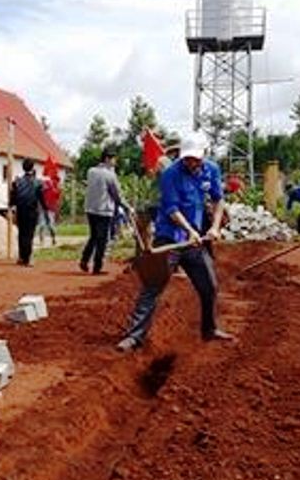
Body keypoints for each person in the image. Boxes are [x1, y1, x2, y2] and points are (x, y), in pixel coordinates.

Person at [117, 142, 233, 351]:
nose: (191, 163)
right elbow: (171, 208)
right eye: (187, 158)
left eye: (195, 159)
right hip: (170, 238)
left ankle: (210, 329)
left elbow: (218, 199)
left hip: (193, 241)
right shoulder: (170, 173)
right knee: (152, 287)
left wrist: (214, 227)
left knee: (209, 286)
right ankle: (134, 337)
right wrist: (190, 230)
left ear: (203, 156)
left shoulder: (211, 170)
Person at [80, 147, 128, 275]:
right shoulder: (110, 175)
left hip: (90, 209)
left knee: (93, 236)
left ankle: (84, 260)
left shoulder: (91, 171)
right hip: (104, 210)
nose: (115, 162)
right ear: (107, 159)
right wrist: (127, 206)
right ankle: (97, 267)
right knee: (102, 239)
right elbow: (117, 195)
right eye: (113, 159)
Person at [10, 158, 47, 266]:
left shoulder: (17, 182)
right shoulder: (38, 182)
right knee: (29, 234)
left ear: (23, 168)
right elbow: (41, 198)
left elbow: (13, 197)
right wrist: (45, 208)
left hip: (20, 211)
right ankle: (29, 257)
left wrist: (10, 206)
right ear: (33, 168)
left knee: (22, 234)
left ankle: (22, 257)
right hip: (32, 211)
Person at [37, 172, 60, 246]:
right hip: (44, 208)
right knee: (43, 225)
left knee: (48, 225)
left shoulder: (51, 189)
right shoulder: (41, 189)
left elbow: (57, 195)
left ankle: (53, 239)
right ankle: (43, 240)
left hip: (49, 208)